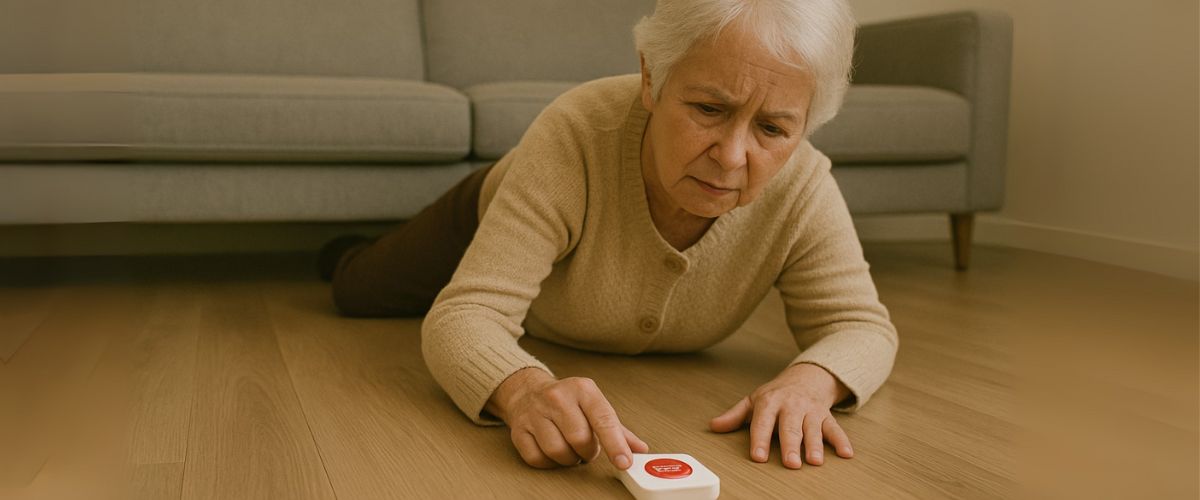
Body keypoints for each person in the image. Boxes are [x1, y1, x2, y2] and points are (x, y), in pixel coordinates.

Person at [322, 0, 897, 473]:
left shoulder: (803, 183)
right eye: (708, 108)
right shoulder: (574, 132)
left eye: (772, 128)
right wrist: (521, 389)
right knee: (359, 288)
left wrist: (812, 381)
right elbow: (465, 313)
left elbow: (861, 325)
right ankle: (345, 249)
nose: (731, 157)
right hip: (490, 208)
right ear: (652, 78)